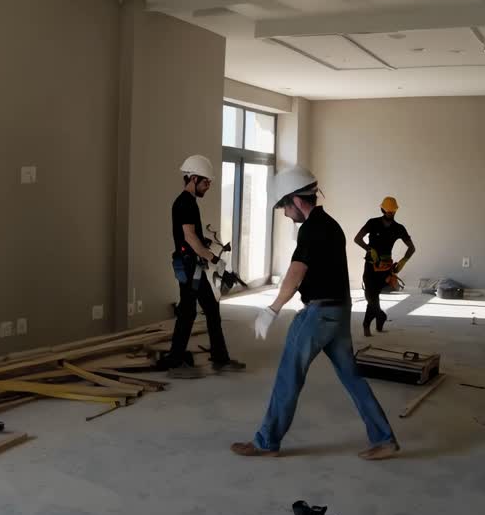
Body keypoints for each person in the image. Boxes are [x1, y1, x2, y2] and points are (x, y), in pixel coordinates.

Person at [231, 166, 400, 460]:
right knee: (352, 378)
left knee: (289, 375)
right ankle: (384, 439)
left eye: (285, 206)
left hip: (319, 313)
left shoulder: (311, 230)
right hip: (340, 311)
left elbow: (296, 273)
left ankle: (266, 442)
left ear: (297, 200)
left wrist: (272, 309)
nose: (285, 214)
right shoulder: (331, 225)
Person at [159, 155, 245, 379]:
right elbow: (189, 237)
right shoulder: (185, 203)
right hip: (188, 266)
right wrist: (214, 259)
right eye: (206, 182)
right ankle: (176, 363)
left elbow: (191, 235)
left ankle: (219, 358)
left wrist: (204, 246)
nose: (208, 186)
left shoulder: (188, 202)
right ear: (194, 178)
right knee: (187, 312)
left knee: (210, 308)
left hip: (192, 265)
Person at [354, 197, 415, 337]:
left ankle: (367, 324)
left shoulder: (399, 228)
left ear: (395, 210)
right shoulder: (372, 223)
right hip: (371, 265)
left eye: (392, 211)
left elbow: (412, 248)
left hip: (385, 267)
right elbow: (357, 239)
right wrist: (369, 249)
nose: (390, 213)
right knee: (370, 296)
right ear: (382, 209)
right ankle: (380, 316)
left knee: (373, 296)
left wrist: (403, 261)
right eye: (388, 210)